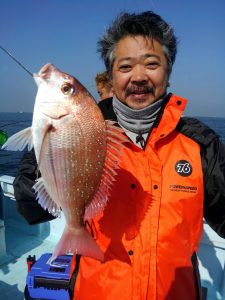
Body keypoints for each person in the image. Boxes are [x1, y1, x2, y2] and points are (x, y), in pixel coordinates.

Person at [13, 11, 225, 300]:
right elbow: (30, 209)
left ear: (169, 70)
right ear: (111, 75)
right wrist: (48, 158)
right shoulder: (86, 125)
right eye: (125, 66)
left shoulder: (201, 143)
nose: (138, 77)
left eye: (152, 64)